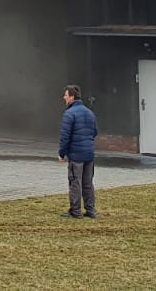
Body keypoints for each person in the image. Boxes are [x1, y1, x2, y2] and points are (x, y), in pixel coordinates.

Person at [58, 83, 98, 218]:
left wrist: (61, 153)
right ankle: (91, 210)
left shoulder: (69, 114)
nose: (64, 98)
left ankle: (75, 211)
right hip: (89, 155)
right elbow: (95, 132)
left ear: (72, 97)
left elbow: (65, 136)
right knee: (88, 183)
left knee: (75, 182)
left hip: (76, 156)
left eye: (65, 95)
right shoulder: (90, 112)